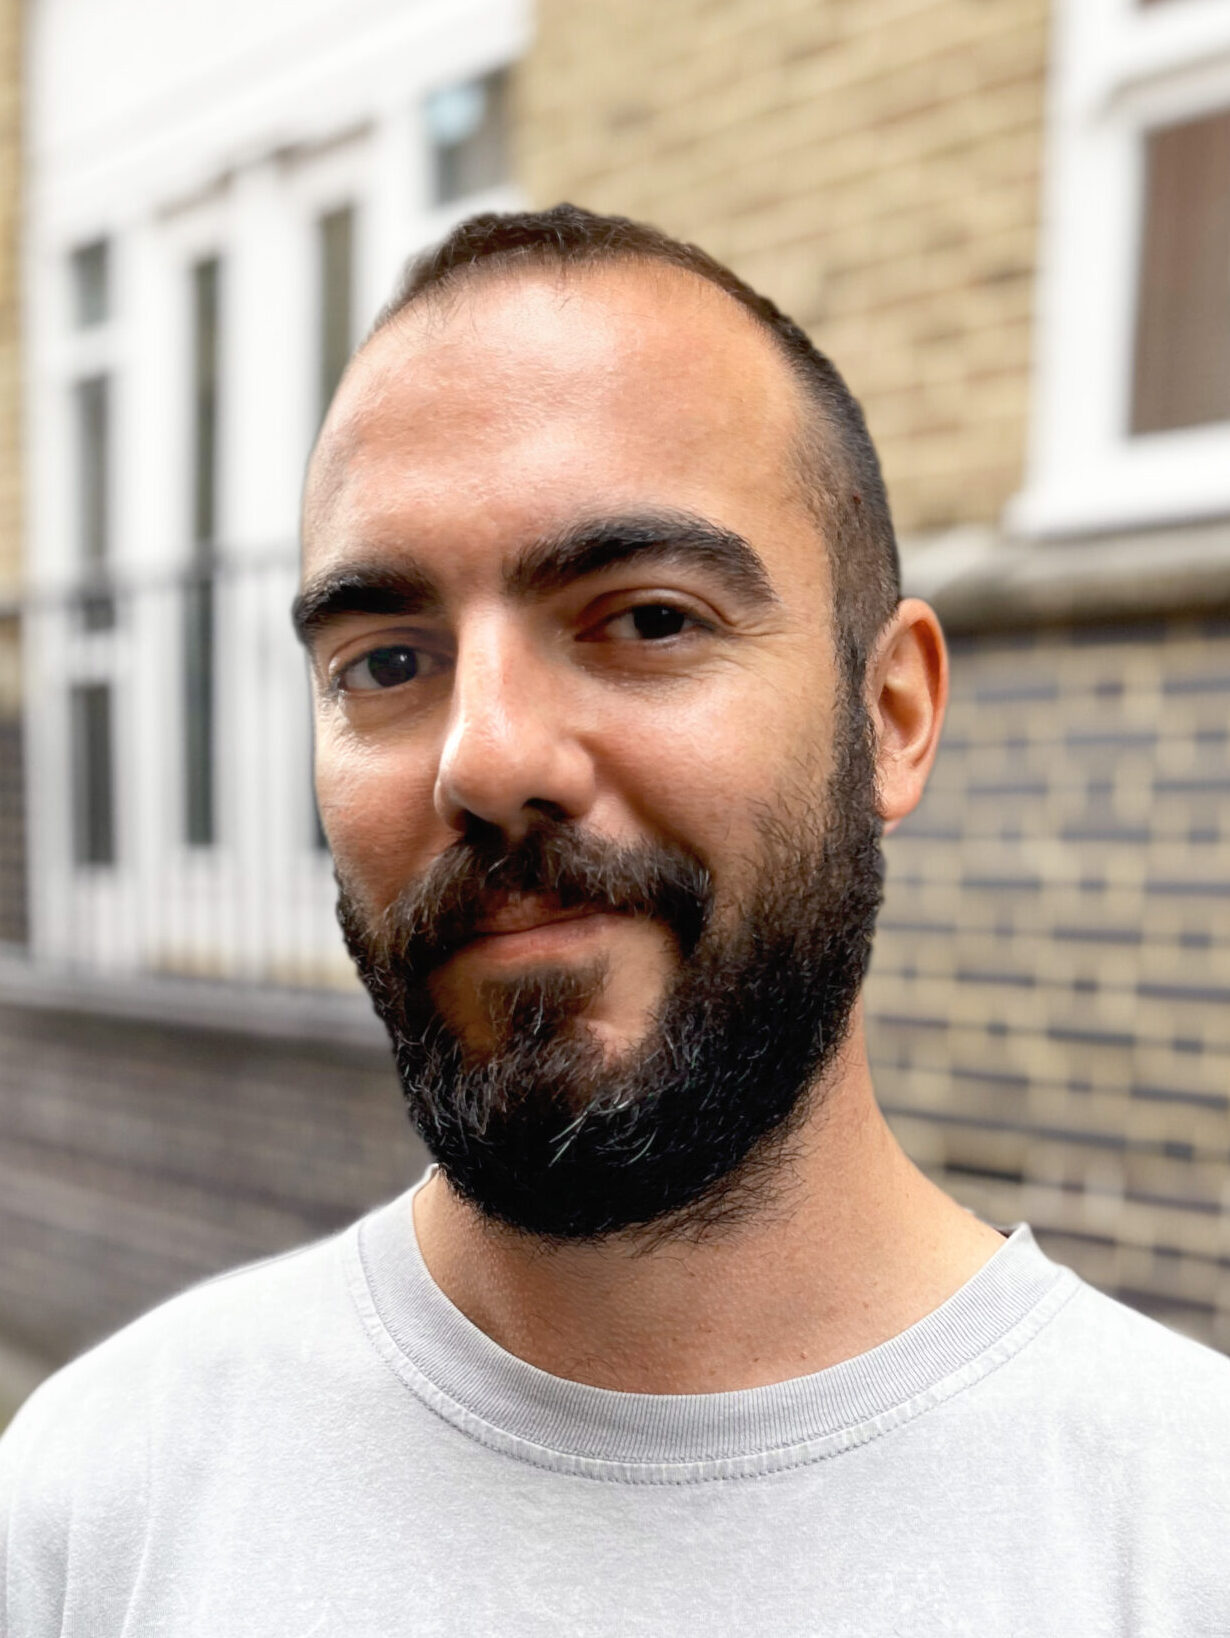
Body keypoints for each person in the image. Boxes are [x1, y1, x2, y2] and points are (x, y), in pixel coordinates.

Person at [3, 204, 1229, 1635]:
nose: (486, 757)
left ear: (890, 715)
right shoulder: (96, 1507)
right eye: (386, 660)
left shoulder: (1175, 1531)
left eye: (645, 620)